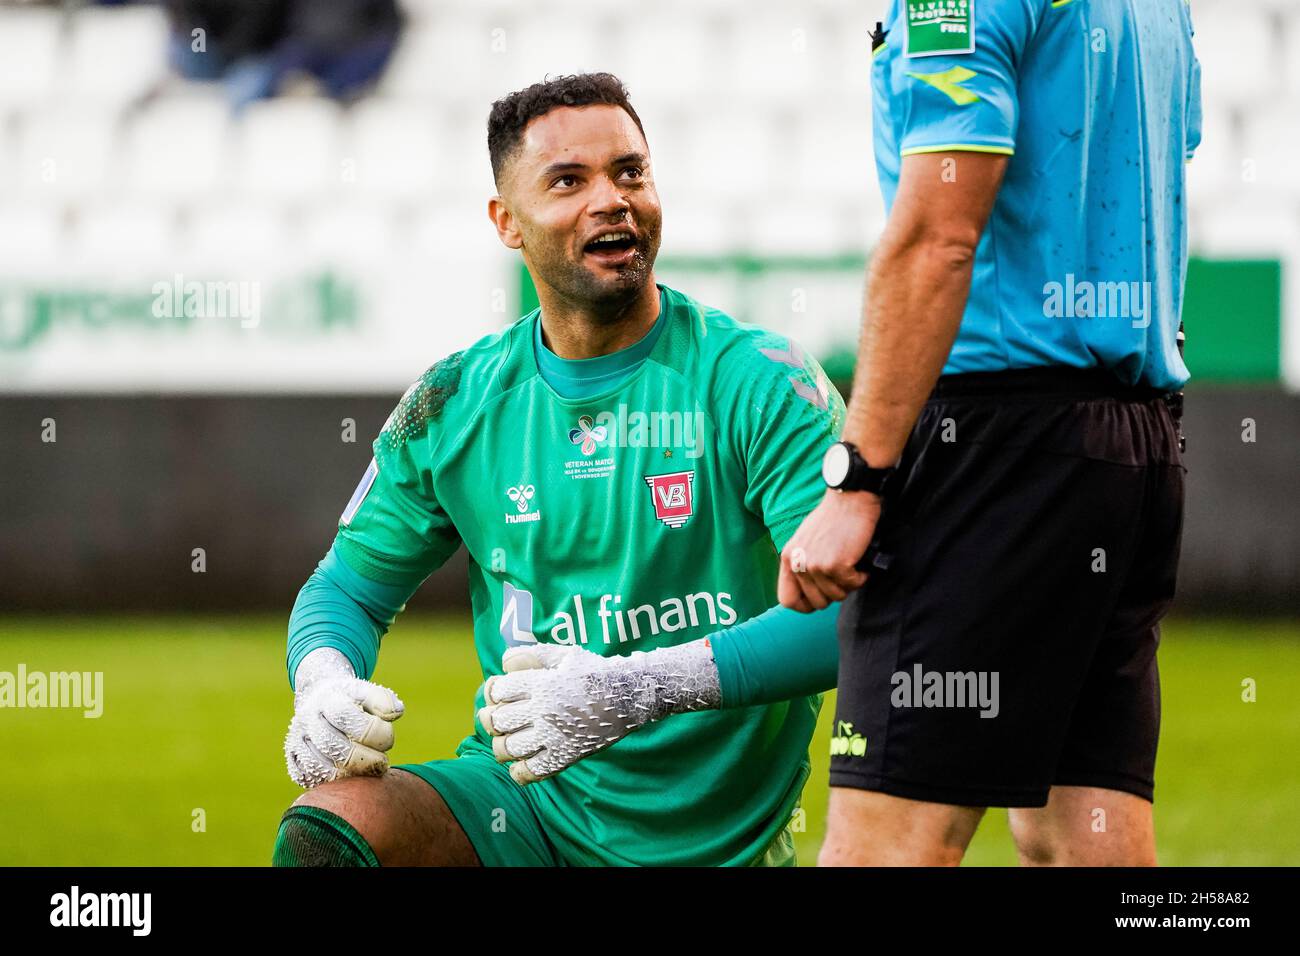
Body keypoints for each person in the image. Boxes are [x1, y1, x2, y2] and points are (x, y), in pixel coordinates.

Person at [273, 73, 844, 867]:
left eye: (630, 172)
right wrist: (323, 685)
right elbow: (346, 588)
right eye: (569, 181)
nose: (612, 199)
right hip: (525, 809)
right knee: (330, 828)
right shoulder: (451, 401)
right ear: (507, 222)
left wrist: (643, 686)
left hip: (717, 841)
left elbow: (855, 618)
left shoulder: (759, 380)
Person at [777, 0, 1201, 866]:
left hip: (1000, 449)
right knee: (1079, 836)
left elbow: (938, 235)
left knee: (884, 849)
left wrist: (857, 478)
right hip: (1134, 437)